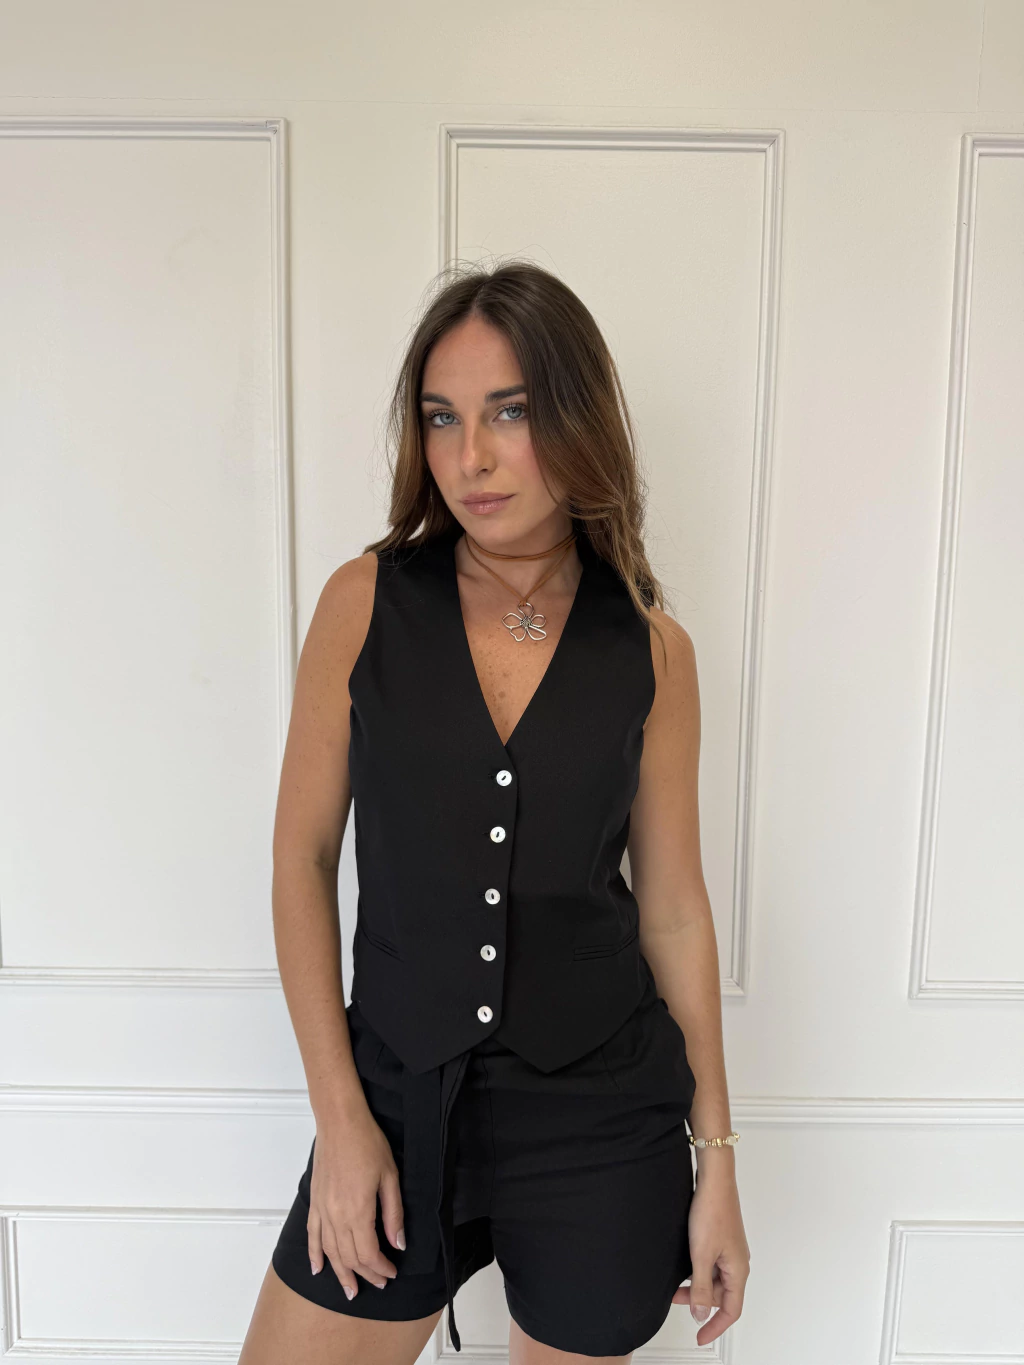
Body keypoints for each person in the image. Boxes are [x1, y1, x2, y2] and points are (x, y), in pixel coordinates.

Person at [238, 261, 750, 1365]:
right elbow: (301, 857)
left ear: (575, 419)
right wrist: (340, 1119)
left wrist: (716, 1164)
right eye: (442, 418)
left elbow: (672, 909)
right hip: (395, 1097)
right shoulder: (364, 604)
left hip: (601, 1120)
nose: (469, 455)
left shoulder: (653, 649)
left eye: (508, 413)